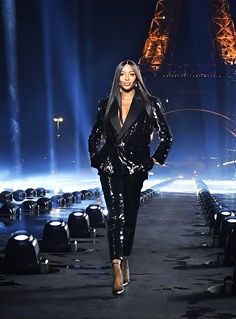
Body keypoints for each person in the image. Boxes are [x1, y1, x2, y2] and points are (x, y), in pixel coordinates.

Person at [87, 59, 173, 295]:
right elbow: (94, 136)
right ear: (117, 77)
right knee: (115, 216)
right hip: (109, 167)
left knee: (130, 218)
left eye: (131, 74)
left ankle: (125, 258)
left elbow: (167, 137)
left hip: (135, 168)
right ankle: (115, 267)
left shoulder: (150, 104)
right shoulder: (105, 104)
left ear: (137, 77)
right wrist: (96, 157)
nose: (126, 78)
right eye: (122, 74)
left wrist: (152, 161)